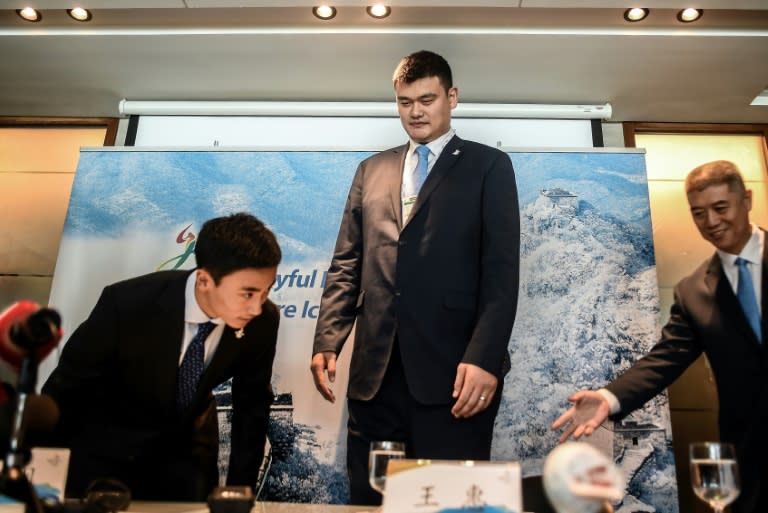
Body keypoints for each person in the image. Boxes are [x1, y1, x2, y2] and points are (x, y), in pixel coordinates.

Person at [310, 50, 520, 505]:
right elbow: (347, 261)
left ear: (452, 97)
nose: (416, 111)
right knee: (370, 501)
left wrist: (484, 358)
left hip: (455, 377)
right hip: (375, 377)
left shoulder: (489, 167)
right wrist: (328, 340)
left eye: (427, 99)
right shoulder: (371, 169)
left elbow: (501, 274)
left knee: (446, 504)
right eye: (405, 102)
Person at [551, 160, 765, 513]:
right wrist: (609, 397)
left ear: (747, 199)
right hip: (747, 458)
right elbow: (664, 359)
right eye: (699, 213)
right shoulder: (694, 291)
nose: (711, 222)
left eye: (720, 208)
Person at [42, 212, 282, 501]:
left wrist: (239, 494)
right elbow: (65, 390)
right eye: (248, 293)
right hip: (106, 457)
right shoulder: (127, 304)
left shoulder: (263, 322)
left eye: (266, 292)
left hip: (184, 463)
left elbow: (251, 408)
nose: (256, 307)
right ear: (204, 280)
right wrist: (45, 477)